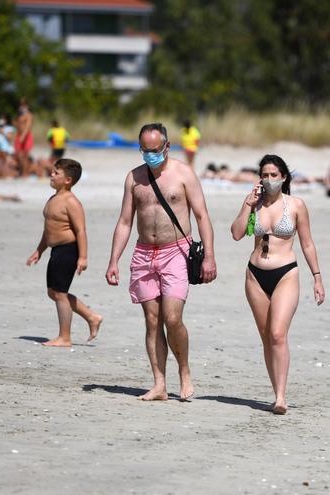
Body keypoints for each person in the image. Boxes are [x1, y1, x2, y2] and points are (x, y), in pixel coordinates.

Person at [105, 123, 217, 401]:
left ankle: (185, 371)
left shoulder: (183, 174)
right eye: (144, 150)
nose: (149, 155)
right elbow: (124, 222)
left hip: (176, 251)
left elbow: (202, 216)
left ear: (166, 146)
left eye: (154, 150)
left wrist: (210, 258)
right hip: (144, 253)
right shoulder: (134, 178)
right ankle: (159, 384)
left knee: (172, 317)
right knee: (152, 321)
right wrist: (113, 261)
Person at [230, 155, 325, 414]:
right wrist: (246, 206)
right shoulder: (254, 203)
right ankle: (275, 391)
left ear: (284, 177)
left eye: (274, 175)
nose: (269, 179)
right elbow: (237, 233)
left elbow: (307, 242)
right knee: (265, 337)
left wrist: (317, 276)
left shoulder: (295, 205)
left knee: (277, 334)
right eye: (265, 175)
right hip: (255, 275)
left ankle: (282, 397)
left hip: (285, 273)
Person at [26, 159, 102, 347]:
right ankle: (91, 317)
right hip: (55, 250)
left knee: (60, 293)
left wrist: (83, 257)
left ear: (68, 180)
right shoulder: (53, 199)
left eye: (56, 173)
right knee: (53, 292)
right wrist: (39, 250)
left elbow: (81, 231)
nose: (51, 175)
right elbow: (49, 229)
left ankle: (65, 337)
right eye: (52, 172)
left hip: (69, 250)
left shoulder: (71, 202)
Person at [15, 98, 34, 176]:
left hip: (26, 136)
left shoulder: (29, 115)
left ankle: (25, 173)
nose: (21, 106)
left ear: (26, 105)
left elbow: (28, 126)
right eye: (20, 104)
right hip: (19, 135)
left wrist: (23, 136)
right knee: (19, 155)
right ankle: (22, 171)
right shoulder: (19, 115)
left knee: (25, 155)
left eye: (23, 104)